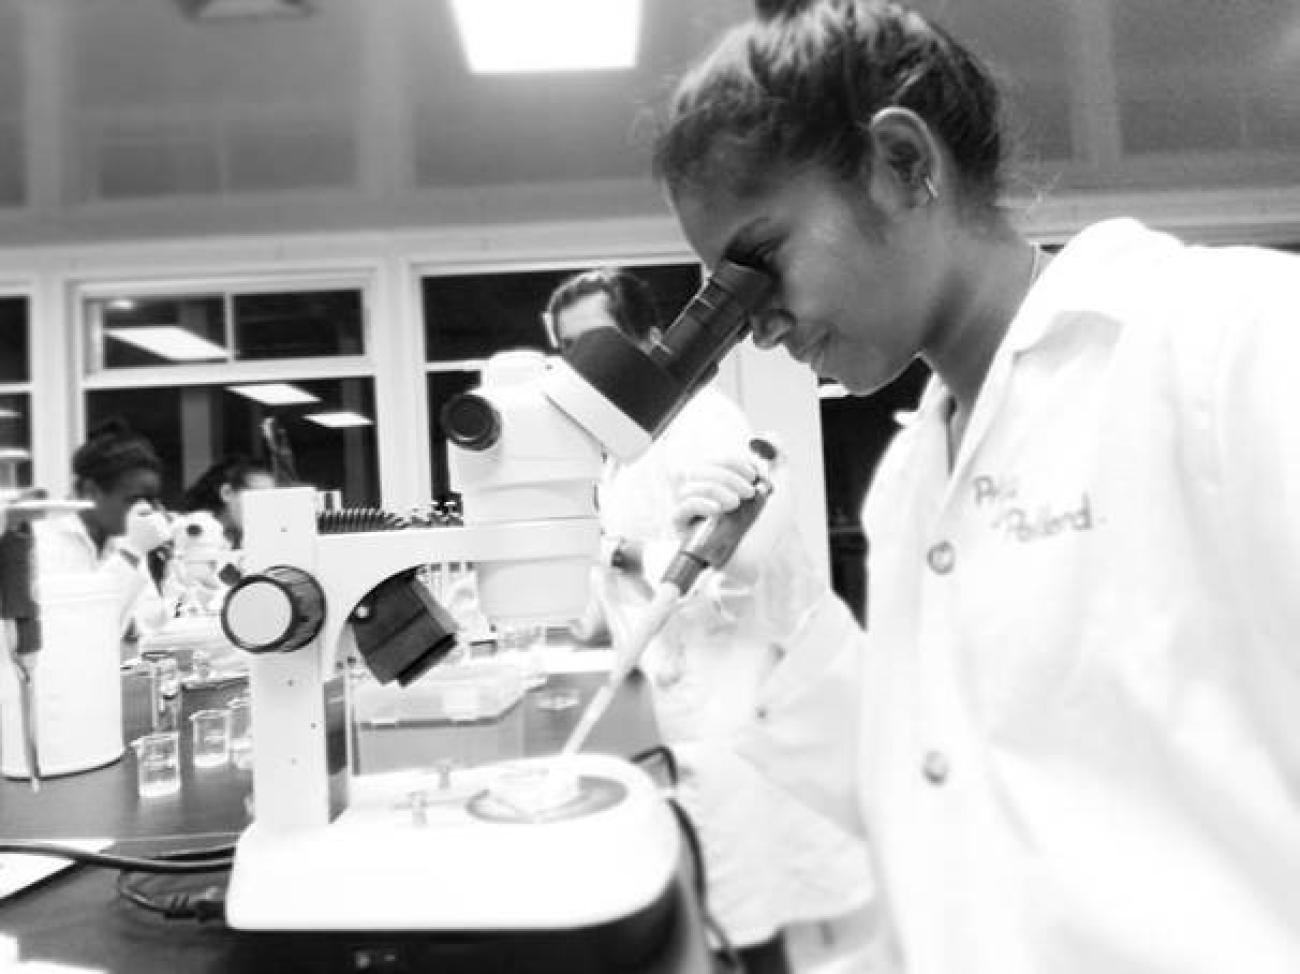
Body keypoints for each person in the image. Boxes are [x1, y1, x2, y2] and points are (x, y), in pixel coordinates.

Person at [652, 2, 1300, 972]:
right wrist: (776, 592)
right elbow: (955, 805)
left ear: (902, 163)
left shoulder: (1231, 340)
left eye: (759, 264)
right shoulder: (912, 480)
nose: (758, 324)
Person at [545, 267, 881, 973]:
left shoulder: (703, 424)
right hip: (694, 709)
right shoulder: (622, 453)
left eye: (597, 343)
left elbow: (730, 573)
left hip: (749, 706)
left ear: (651, 339)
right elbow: (617, 586)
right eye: (568, 350)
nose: (585, 364)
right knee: (736, 906)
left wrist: (620, 555)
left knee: (757, 915)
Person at [34, 419, 173, 638]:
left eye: (150, 500)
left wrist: (161, 563)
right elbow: (81, 629)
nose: (145, 509)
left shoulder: (122, 539)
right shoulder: (44, 543)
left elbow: (152, 619)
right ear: (91, 491)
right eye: (134, 499)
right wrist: (131, 554)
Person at [179, 454, 276, 549]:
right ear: (227, 493)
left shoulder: (240, 538)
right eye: (257, 497)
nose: (265, 506)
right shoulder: (197, 531)